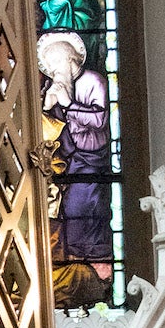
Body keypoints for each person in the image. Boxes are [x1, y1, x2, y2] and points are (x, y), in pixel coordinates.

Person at [38, 32, 113, 307]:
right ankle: (77, 272)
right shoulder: (56, 87)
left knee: (87, 210)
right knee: (69, 213)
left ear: (72, 61)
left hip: (92, 161)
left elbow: (99, 118)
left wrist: (68, 104)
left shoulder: (93, 81)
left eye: (57, 64)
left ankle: (100, 273)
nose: (54, 71)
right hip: (69, 161)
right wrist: (48, 104)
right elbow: (48, 124)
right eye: (49, 66)